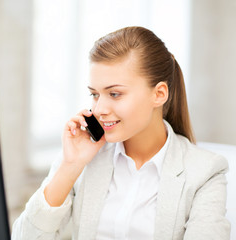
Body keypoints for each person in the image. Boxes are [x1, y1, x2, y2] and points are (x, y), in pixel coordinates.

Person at [11, 26, 230, 240]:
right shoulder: (83, 158)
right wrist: (70, 167)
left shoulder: (205, 172)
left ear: (159, 94)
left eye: (114, 94)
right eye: (95, 94)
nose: (99, 110)